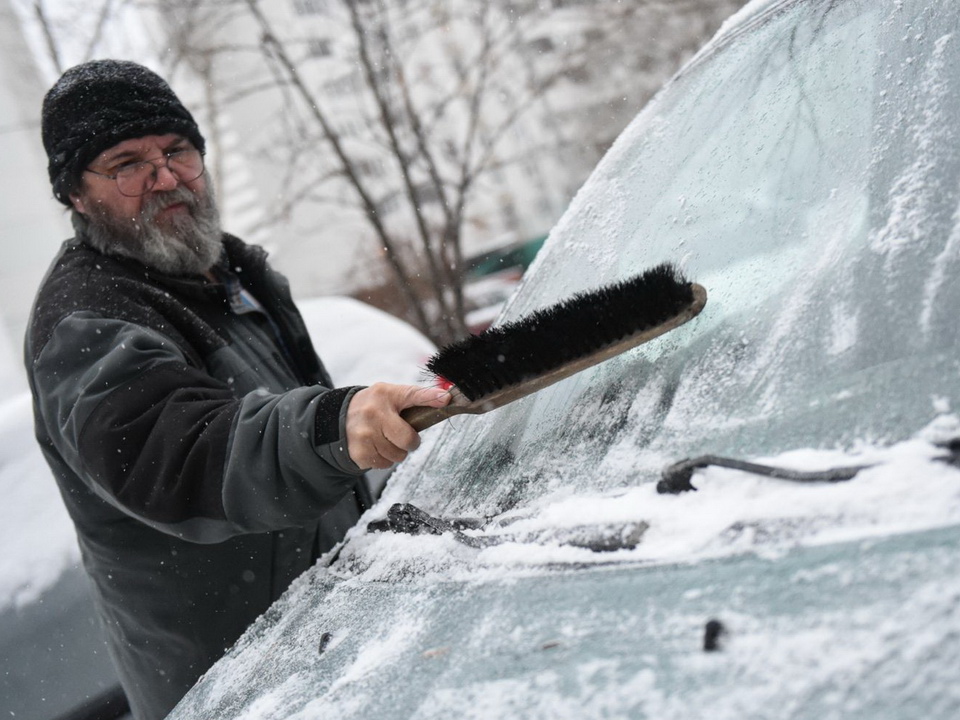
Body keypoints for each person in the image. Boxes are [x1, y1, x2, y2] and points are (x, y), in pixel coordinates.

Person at [24, 59, 449, 720]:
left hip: (339, 643)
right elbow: (180, 454)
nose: (165, 177)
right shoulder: (85, 320)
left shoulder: (235, 274)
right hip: (238, 686)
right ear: (77, 195)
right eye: (127, 163)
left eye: (177, 150)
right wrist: (329, 428)